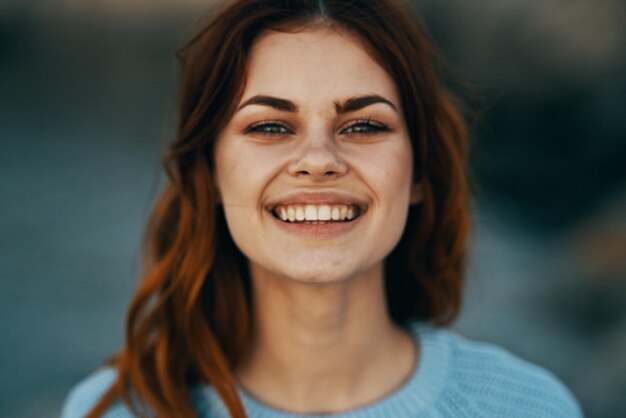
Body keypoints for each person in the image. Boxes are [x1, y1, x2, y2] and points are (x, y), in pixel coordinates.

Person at [62, 0, 583, 417]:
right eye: (269, 126)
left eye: (364, 126)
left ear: (421, 172)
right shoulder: (115, 410)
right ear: (212, 174)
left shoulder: (527, 406)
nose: (318, 160)